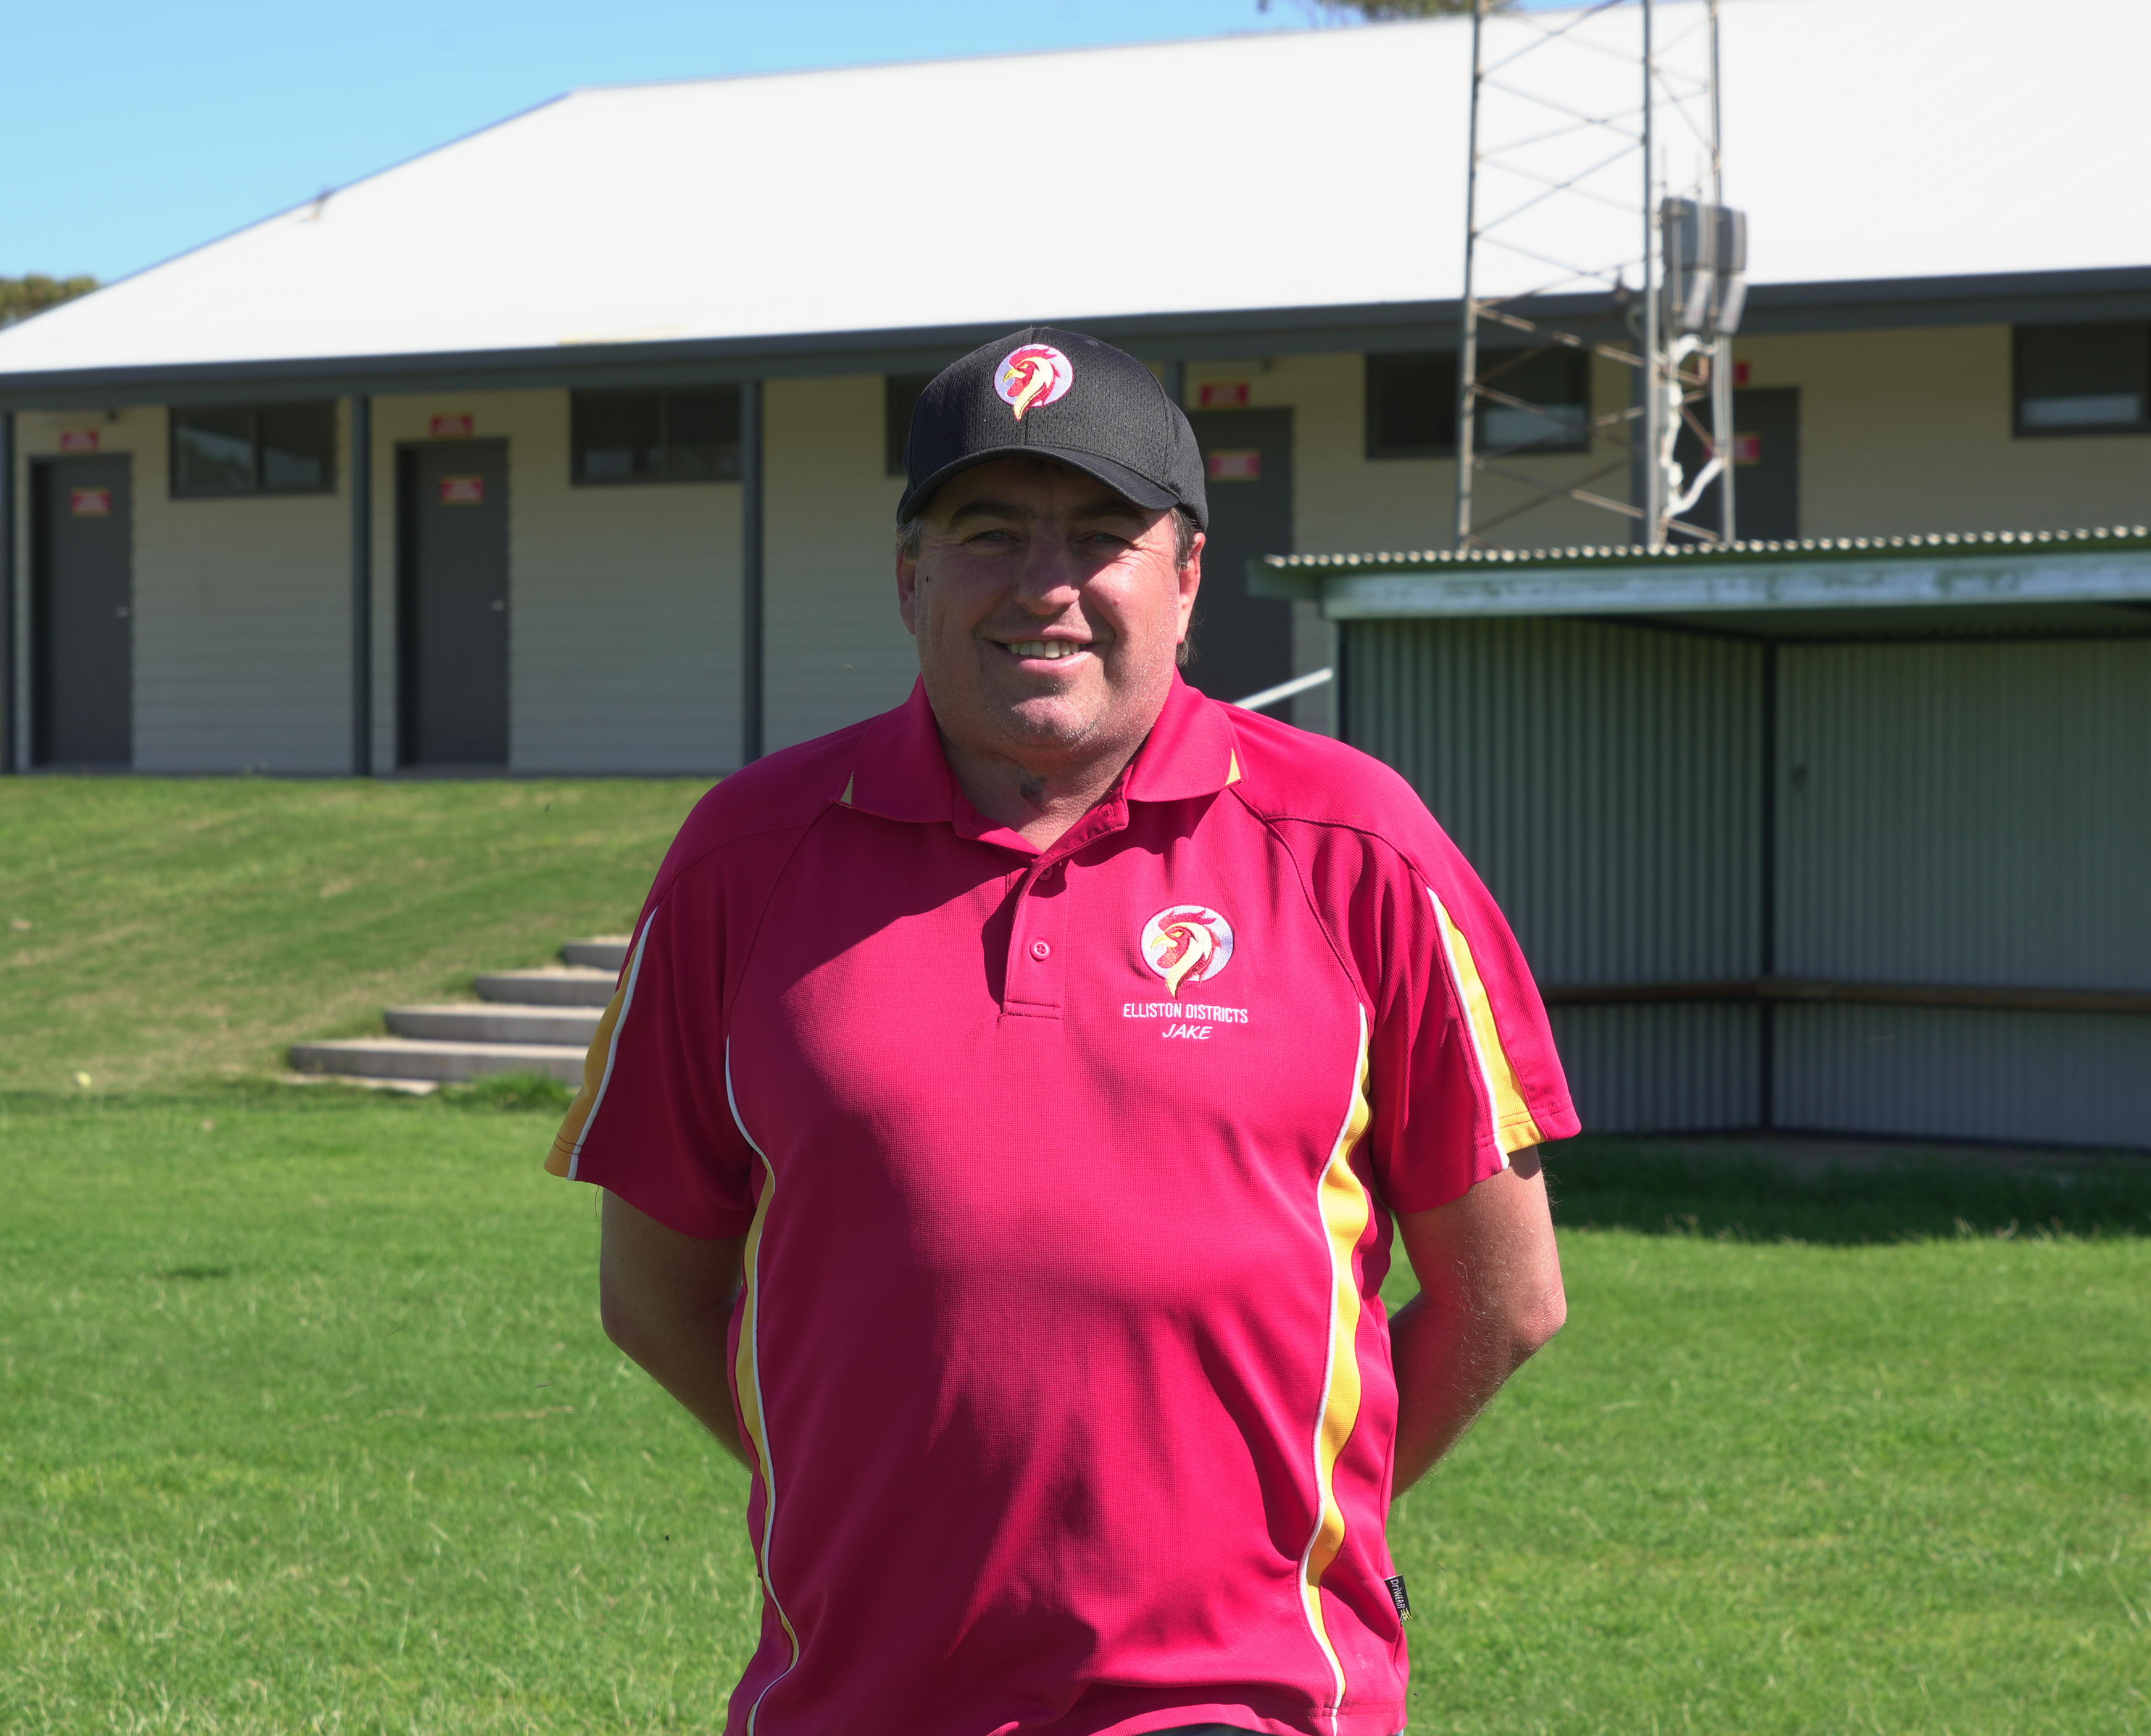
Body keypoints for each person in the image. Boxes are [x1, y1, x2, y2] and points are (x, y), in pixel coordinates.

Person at [546, 326, 1577, 1736]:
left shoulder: (1356, 845)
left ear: (1187, 579)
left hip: (1237, 1699)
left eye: (1101, 536)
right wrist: (869, 1500)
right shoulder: (748, 857)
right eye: (987, 534)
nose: (1044, 586)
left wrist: (1271, 1528)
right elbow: (652, 1296)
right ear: (911, 578)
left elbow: (1507, 1298)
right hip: (853, 1699)